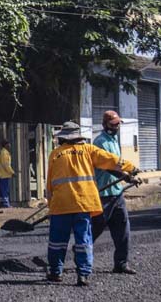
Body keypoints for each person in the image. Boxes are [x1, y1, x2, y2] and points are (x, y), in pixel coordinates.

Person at [45, 121, 139, 287]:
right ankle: (83, 274)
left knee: (57, 241)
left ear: (63, 139)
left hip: (61, 205)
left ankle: (55, 272)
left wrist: (51, 205)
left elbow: (50, 185)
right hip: (83, 203)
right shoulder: (89, 151)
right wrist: (130, 168)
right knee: (84, 240)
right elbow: (111, 160)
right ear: (78, 138)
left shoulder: (55, 154)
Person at [91, 110, 136, 274]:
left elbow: (118, 164)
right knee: (95, 229)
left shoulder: (114, 140)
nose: (117, 127)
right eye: (113, 124)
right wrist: (126, 177)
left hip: (116, 193)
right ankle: (81, 252)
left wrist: (128, 175)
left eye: (118, 124)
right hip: (103, 194)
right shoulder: (100, 142)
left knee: (123, 230)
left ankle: (121, 264)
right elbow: (108, 166)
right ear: (105, 125)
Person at [0, 139, 15, 208]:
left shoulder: (2, 152)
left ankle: (2, 203)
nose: (9, 145)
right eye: (8, 144)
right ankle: (6, 203)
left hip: (1, 174)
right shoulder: (5, 153)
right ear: (5, 145)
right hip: (4, 174)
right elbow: (6, 164)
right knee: (5, 189)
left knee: (2, 189)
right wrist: (12, 172)